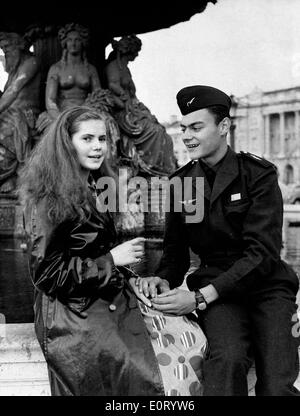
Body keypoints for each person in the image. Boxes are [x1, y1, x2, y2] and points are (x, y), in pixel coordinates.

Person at [19, 106, 207, 396]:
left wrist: (130, 276)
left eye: (102, 139)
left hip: (103, 294)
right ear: (66, 143)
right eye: (88, 139)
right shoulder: (47, 197)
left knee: (190, 335)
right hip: (71, 311)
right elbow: (46, 275)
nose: (98, 147)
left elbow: (98, 250)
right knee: (151, 375)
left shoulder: (95, 185)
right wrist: (111, 260)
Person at [137, 85, 300, 396]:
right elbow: (175, 254)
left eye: (196, 127)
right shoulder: (181, 183)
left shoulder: (258, 175)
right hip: (221, 294)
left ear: (224, 126)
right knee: (226, 361)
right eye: (184, 128)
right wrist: (161, 279)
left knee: (278, 383)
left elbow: (263, 254)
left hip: (268, 287)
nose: (186, 136)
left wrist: (198, 298)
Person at [105, 35, 176, 176]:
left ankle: (160, 169)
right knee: (155, 131)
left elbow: (133, 93)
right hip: (122, 111)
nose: (137, 54)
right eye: (136, 51)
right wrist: (125, 98)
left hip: (132, 109)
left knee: (161, 131)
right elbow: (112, 85)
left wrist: (140, 107)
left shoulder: (125, 68)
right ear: (128, 50)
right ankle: (151, 167)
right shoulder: (113, 66)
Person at [36, 23, 100, 133]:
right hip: (61, 111)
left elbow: (98, 96)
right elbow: (50, 100)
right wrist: (60, 118)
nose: (73, 44)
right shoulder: (56, 69)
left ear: (83, 43)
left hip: (86, 110)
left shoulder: (91, 69)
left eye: (77, 40)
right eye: (70, 40)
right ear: (65, 43)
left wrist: (88, 112)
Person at [0, 31, 41, 193]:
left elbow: (14, 91)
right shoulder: (12, 71)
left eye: (7, 47)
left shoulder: (31, 62)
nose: (5, 52)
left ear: (19, 45)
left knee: (5, 133)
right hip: (10, 113)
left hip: (26, 114)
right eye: (2, 49)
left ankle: (14, 177)